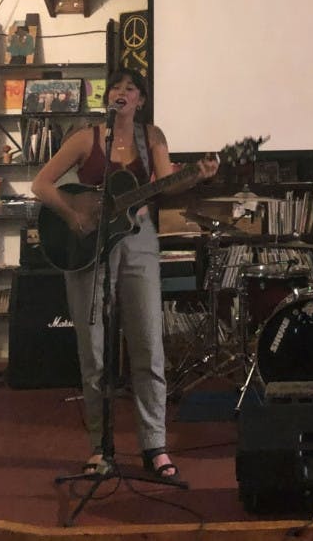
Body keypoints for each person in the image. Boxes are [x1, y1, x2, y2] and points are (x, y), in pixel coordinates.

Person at [31, 69, 218, 481]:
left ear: (141, 101)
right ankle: (100, 448)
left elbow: (166, 186)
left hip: (139, 243)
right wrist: (73, 212)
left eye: (130, 88)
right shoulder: (86, 138)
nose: (121, 92)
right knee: (94, 352)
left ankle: (155, 445)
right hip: (88, 245)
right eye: (116, 87)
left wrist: (197, 175)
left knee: (149, 346)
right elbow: (41, 184)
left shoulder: (153, 138)